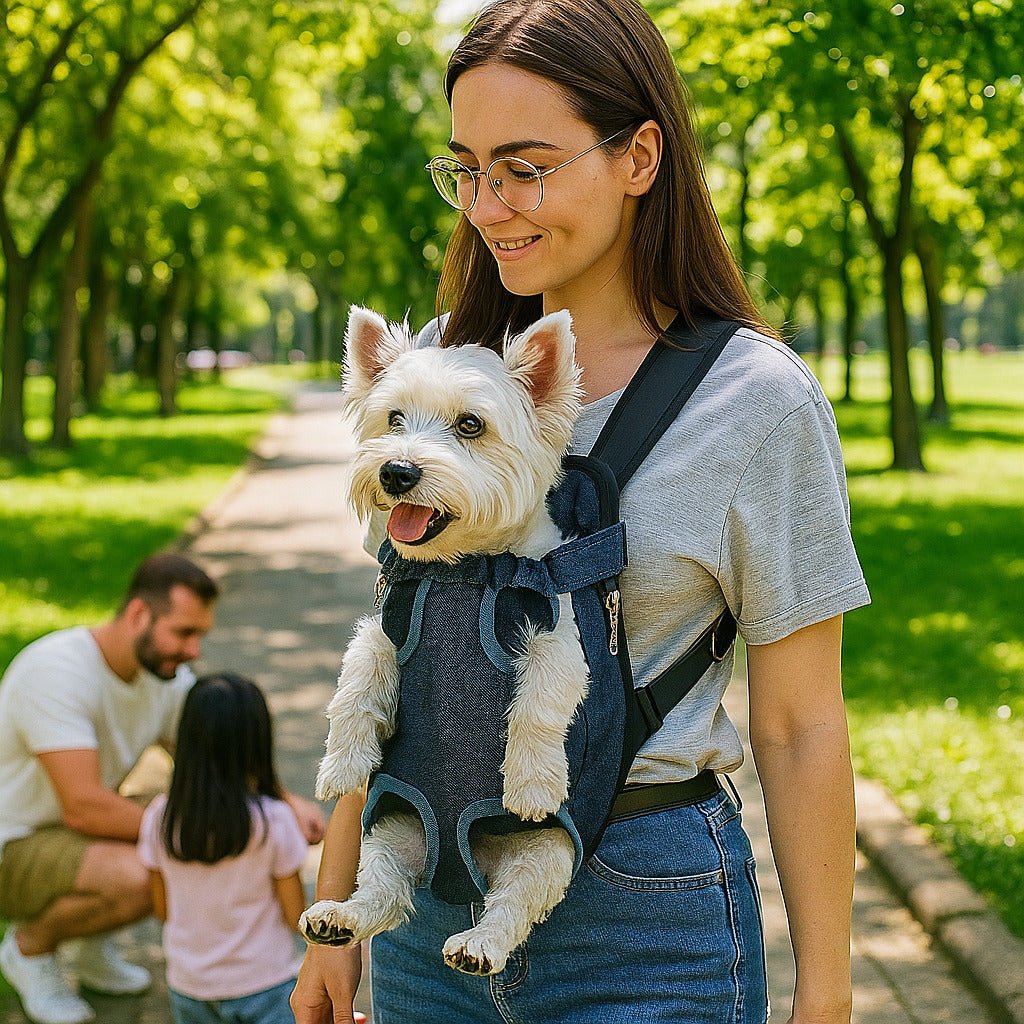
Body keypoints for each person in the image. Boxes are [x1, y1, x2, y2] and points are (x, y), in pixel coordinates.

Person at [292, 2, 870, 1022]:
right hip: (432, 911)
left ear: (640, 156)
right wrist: (337, 911)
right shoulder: (440, 374)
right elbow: (401, 648)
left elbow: (799, 724)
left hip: (647, 918)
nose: (488, 205)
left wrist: (825, 995)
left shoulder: (756, 402)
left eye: (526, 167)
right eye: (466, 169)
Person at [0, 552, 325, 1024]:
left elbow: (216, 757)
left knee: (173, 811)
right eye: (184, 633)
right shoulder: (57, 673)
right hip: (16, 841)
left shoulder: (163, 676)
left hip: (71, 831)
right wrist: (215, 830)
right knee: (154, 868)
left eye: (200, 636)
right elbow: (84, 808)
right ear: (138, 615)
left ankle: (92, 950)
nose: (194, 651)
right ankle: (29, 949)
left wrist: (286, 803)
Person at [138, 672, 307, 1024]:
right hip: (265, 983)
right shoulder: (273, 820)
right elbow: (295, 916)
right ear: (257, 744)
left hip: (189, 985)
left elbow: (162, 908)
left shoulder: (159, 817)